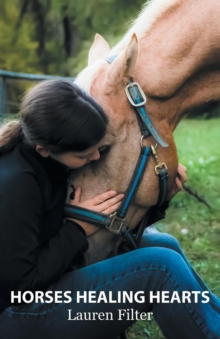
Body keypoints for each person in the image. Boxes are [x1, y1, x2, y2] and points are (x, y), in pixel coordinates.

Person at [0, 80, 219, 339]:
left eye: (99, 150)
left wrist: (162, 199)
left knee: (164, 244)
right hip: (18, 314)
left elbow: (100, 237)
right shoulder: (17, 183)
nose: (94, 158)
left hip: (49, 279)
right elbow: (22, 284)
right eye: (85, 155)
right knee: (161, 267)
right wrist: (77, 229)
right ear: (44, 150)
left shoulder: (51, 162)